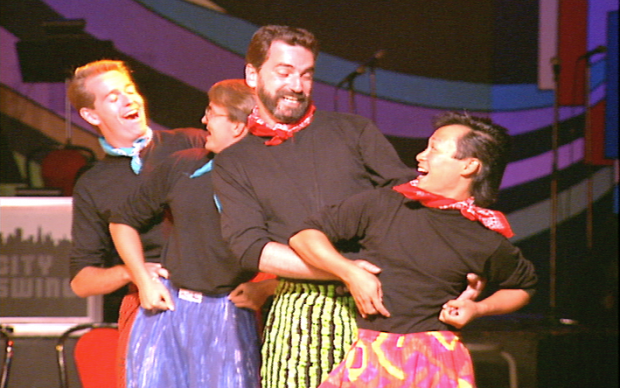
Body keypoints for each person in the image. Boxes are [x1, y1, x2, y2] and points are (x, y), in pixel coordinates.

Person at [212, 25, 482, 388]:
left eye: (306, 74)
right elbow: (251, 249)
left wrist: (459, 255)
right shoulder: (235, 162)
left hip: (383, 308)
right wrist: (345, 270)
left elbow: (412, 198)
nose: (297, 85)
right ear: (252, 74)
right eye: (284, 72)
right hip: (302, 319)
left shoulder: (353, 131)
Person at [289, 112, 538, 387]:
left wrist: (478, 309)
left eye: (434, 148)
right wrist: (349, 272)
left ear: (468, 166)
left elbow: (522, 287)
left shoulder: (484, 239)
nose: (421, 156)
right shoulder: (383, 204)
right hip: (368, 357)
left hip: (435, 361)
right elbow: (304, 235)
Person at [109, 79, 265, 388]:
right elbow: (121, 221)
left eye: (212, 113)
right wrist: (142, 280)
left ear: (237, 126)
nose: (203, 120)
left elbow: (303, 245)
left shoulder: (270, 180)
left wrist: (268, 288)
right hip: (168, 310)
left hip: (229, 316)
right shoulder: (183, 165)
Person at [67, 59, 207, 386]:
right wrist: (133, 271)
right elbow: (81, 280)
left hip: (215, 295)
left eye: (130, 90)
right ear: (91, 115)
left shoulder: (191, 143)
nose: (129, 100)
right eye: (113, 97)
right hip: (151, 308)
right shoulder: (93, 184)